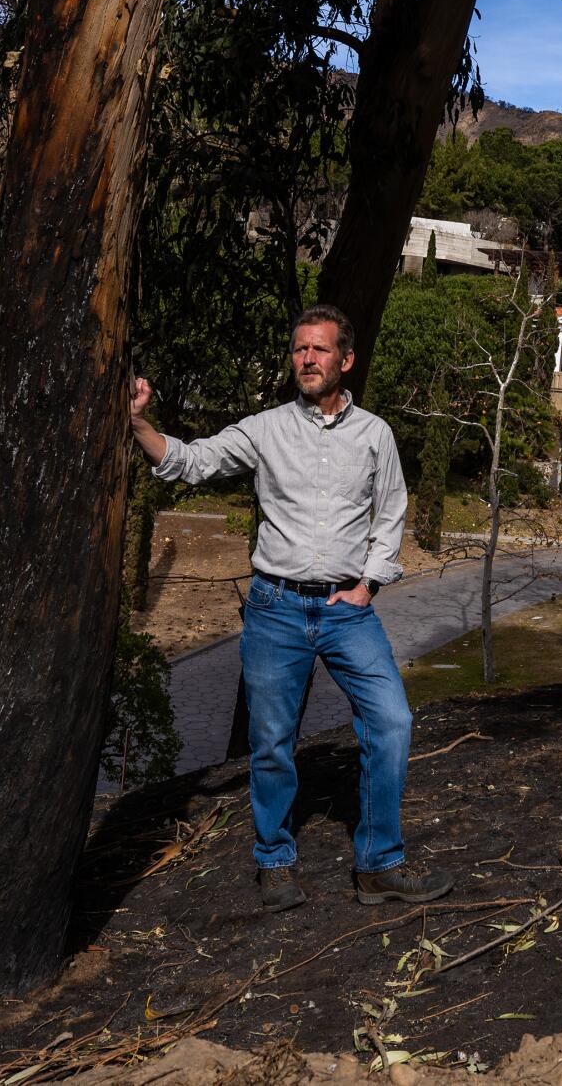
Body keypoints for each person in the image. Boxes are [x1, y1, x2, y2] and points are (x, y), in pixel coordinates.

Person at [129, 304, 453, 913]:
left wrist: (368, 584)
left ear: (345, 360)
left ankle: (380, 864)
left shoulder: (375, 435)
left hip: (346, 611)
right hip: (275, 608)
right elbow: (191, 462)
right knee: (273, 742)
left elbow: (390, 515)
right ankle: (274, 860)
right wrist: (138, 423)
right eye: (300, 349)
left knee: (392, 721)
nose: (307, 358)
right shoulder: (266, 428)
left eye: (320, 349)